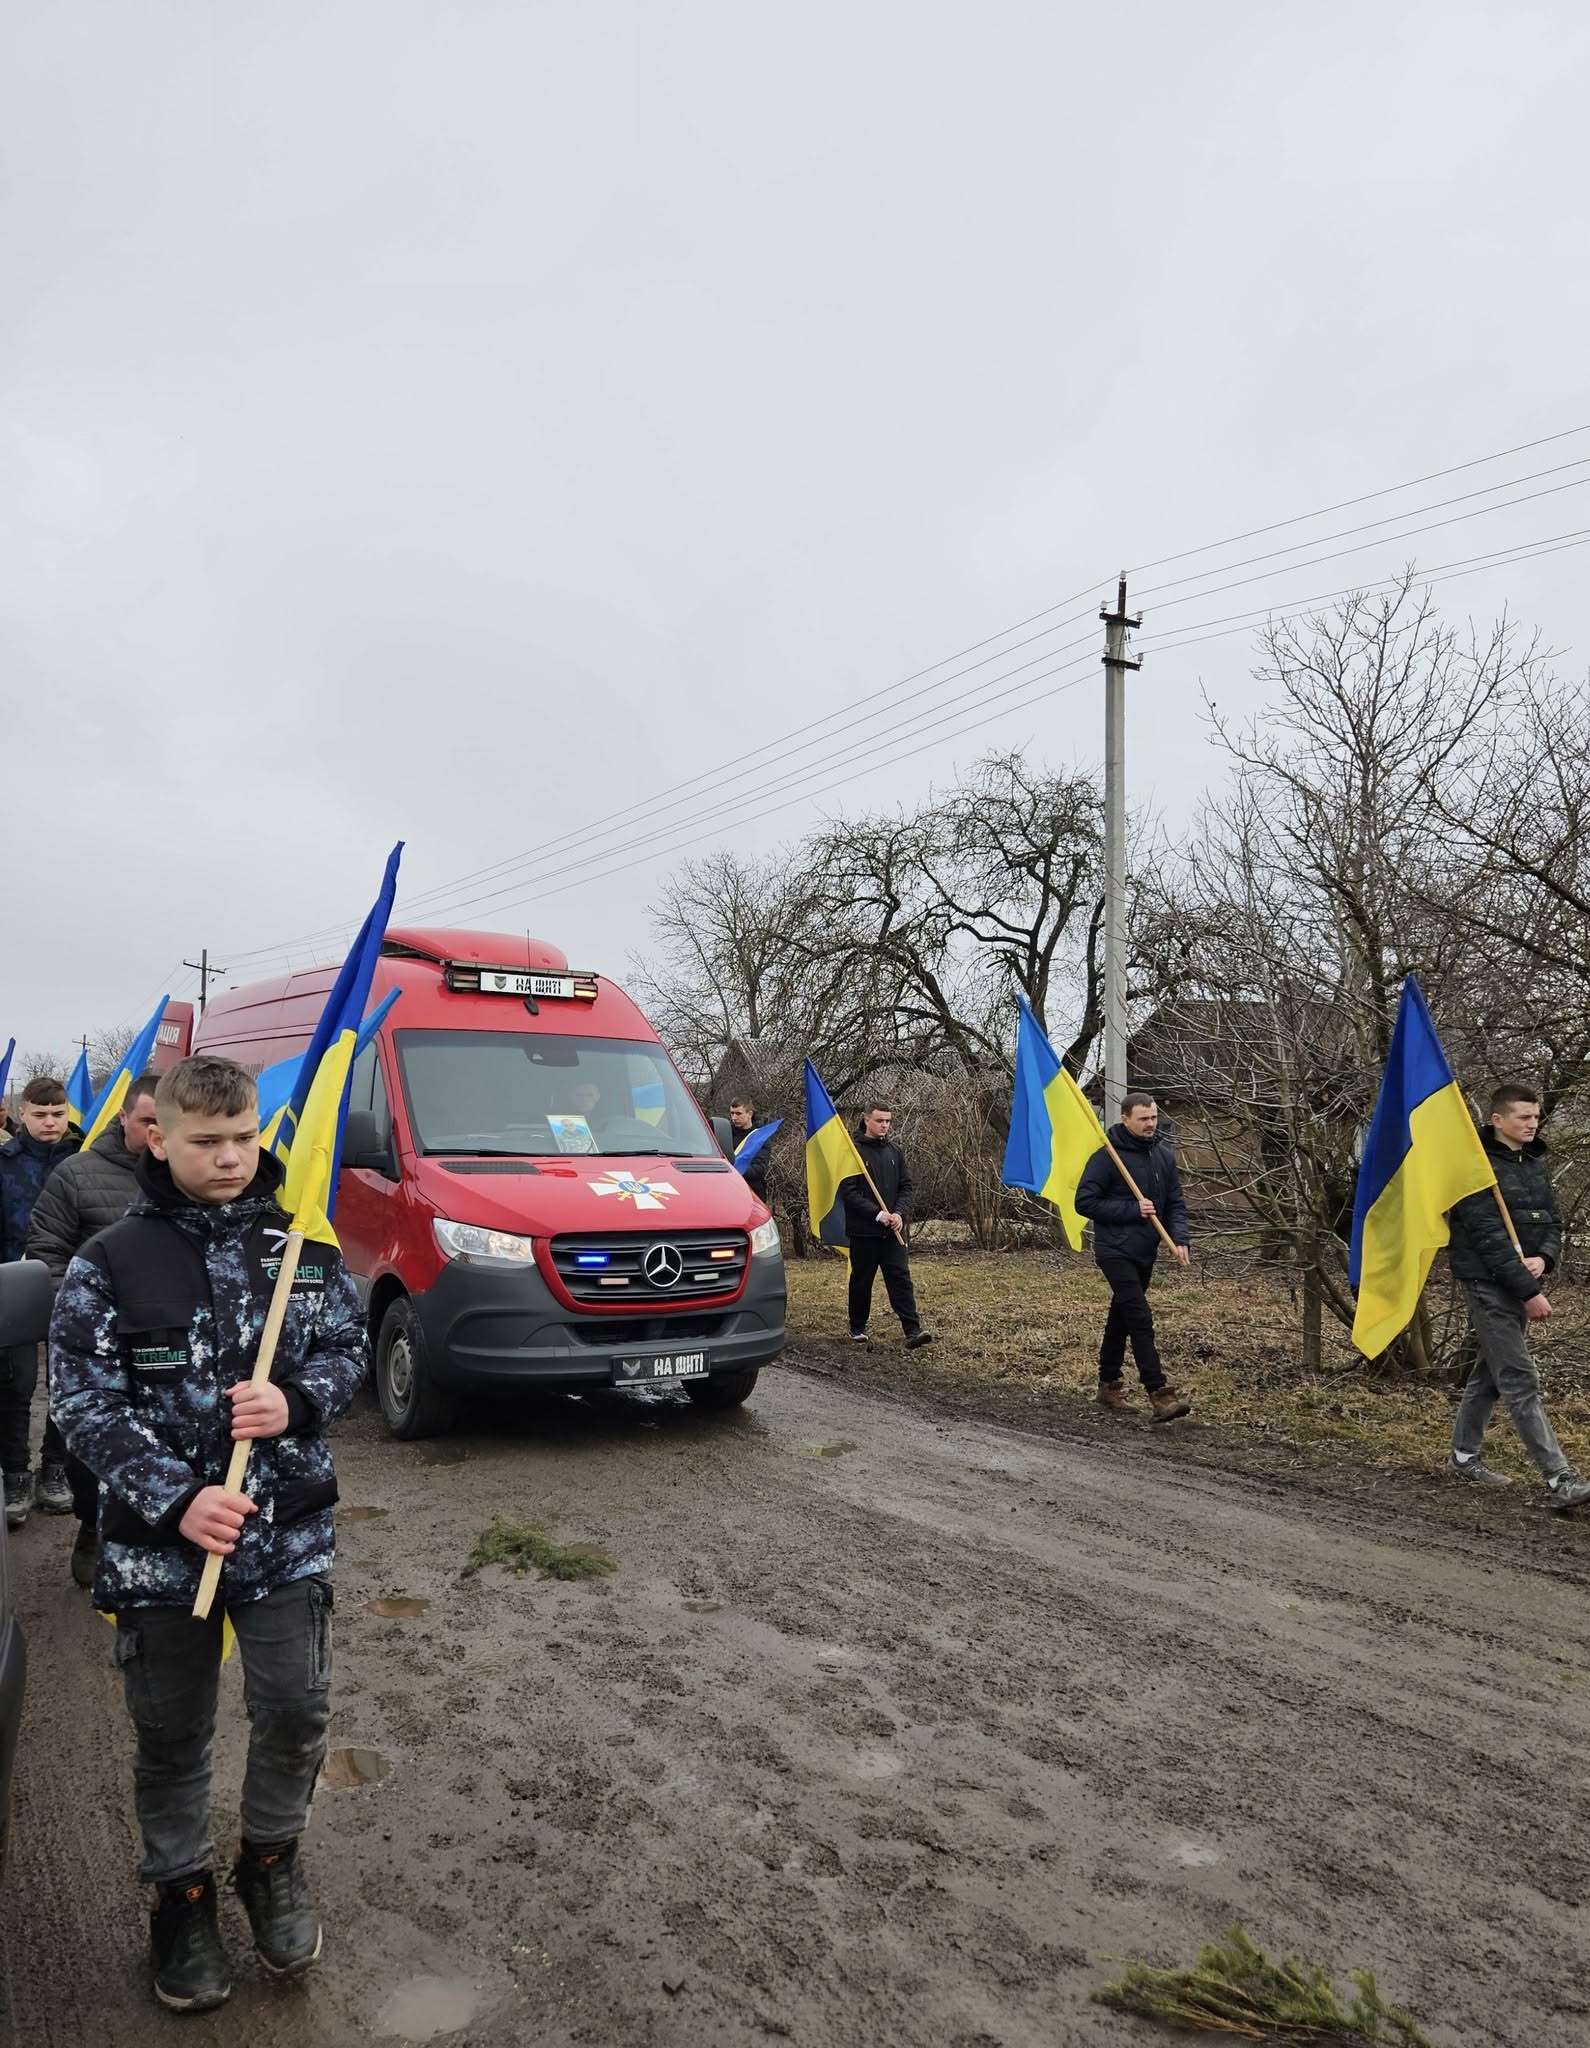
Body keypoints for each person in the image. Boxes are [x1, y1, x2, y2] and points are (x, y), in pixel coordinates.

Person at [51, 1054, 369, 2012]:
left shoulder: (302, 1251)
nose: (231, 1158)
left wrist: (299, 1398)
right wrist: (176, 1496)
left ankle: (269, 1861)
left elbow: (351, 1348)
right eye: (207, 1141)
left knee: (295, 1711)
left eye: (244, 1139)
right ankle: (181, 1895)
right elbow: (80, 1403)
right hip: (161, 1551)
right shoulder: (108, 1261)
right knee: (172, 1733)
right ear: (160, 1136)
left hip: (285, 1539)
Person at [26, 1072, 162, 1586]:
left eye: (168, 1122)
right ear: (123, 1117)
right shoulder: (75, 1175)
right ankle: (91, 1528)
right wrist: (99, 1318)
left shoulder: (192, 1178)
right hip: (100, 1350)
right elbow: (46, 1257)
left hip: (171, 1354)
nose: (158, 1134)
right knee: (91, 1450)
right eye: (148, 1120)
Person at [1444, 1084, 1590, 1509]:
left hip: (1522, 1277)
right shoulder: (1474, 1168)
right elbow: (1488, 1238)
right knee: (1518, 1377)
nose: (1533, 1124)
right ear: (1498, 1120)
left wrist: (1544, 1259)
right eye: (1524, 1117)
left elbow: (1553, 1221)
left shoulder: (1533, 1162)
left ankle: (1463, 1456)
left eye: (1536, 1117)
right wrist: (1528, 1292)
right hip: (1487, 1284)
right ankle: (1560, 1478)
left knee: (1489, 1375)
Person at [1074, 1093, 1192, 1423]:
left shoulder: (1164, 1156)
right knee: (1139, 1316)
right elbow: (1084, 1203)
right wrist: (1131, 1209)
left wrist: (1179, 1238)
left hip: (1145, 1250)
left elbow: (1175, 1204)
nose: (1150, 1124)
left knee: (1122, 1316)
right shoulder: (1107, 1157)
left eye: (1153, 1117)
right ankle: (1159, 1393)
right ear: (1125, 1119)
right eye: (1143, 1119)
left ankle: (1108, 1386)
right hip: (1114, 1250)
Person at [0, 1075, 83, 1525]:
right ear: (23, 1114)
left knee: (66, 1384)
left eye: (58, 1114)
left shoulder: (81, 1160)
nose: (50, 1123)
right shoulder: (4, 1163)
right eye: (40, 1114)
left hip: (72, 1287)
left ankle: (55, 1468)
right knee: (15, 1384)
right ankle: (14, 1471)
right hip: (14, 1284)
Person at [841, 1102, 932, 1349]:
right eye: (880, 1120)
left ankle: (912, 1330)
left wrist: (899, 1213)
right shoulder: (853, 1152)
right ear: (866, 1119)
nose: (884, 1125)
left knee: (900, 1278)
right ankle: (857, 1326)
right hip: (864, 1231)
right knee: (861, 1281)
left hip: (892, 1231)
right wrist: (877, 1214)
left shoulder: (895, 1151)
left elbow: (906, 1186)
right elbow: (849, 1193)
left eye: (888, 1121)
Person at [728, 1096, 770, 1203]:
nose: (734, 1118)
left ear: (749, 1114)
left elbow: (760, 1168)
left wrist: (733, 1170)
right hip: (729, 1189)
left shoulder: (760, 1137)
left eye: (738, 1113)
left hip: (752, 1192)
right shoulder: (725, 1133)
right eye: (732, 1113)